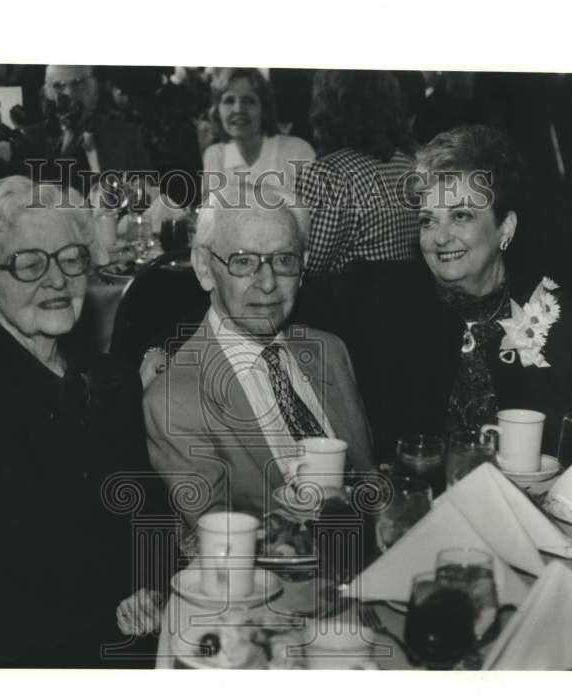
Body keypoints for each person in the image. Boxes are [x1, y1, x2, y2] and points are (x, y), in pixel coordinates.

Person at [0, 176, 159, 666]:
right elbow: (22, 558)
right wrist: (121, 602)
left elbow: (145, 509)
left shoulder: (106, 379)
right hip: (13, 651)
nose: (57, 280)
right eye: (28, 264)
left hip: (110, 627)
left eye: (71, 258)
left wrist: (149, 584)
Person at [341, 125, 572, 459]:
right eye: (428, 220)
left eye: (460, 216)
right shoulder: (388, 314)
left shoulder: (568, 328)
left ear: (505, 228)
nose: (439, 238)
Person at [142, 182, 375, 527]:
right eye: (244, 261)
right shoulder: (175, 399)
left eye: (284, 260)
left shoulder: (330, 351)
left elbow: (368, 476)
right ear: (204, 268)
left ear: (304, 266)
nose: (267, 283)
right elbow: (220, 544)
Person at [296, 70, 420, 274]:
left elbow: (303, 269)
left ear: (327, 108)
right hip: (399, 301)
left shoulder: (328, 174)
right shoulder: (409, 165)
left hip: (347, 302)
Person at [0, 64, 152, 197]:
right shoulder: (31, 140)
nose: (70, 93)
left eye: (78, 82)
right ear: (47, 93)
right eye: (59, 86)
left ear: (94, 87)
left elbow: (145, 198)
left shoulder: (127, 136)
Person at [201, 68, 314, 199]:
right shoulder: (214, 155)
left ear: (264, 109)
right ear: (217, 110)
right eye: (229, 100)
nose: (238, 109)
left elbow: (316, 215)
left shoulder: (297, 152)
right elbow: (208, 217)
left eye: (249, 100)